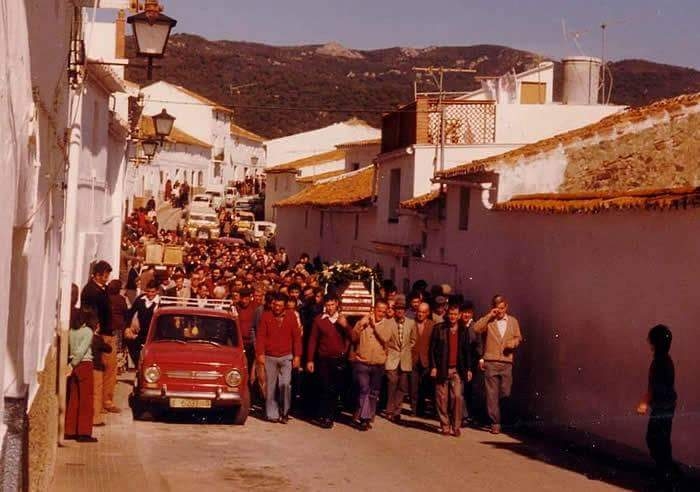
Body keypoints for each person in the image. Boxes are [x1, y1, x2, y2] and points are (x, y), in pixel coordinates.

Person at [473, 295, 522, 434]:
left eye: (502, 308)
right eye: (497, 308)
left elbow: (518, 337)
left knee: (506, 392)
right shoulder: (490, 320)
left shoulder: (513, 321)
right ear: (493, 307)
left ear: (506, 307)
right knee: (491, 394)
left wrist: (512, 343)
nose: (500, 311)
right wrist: (490, 315)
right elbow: (476, 328)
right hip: (491, 361)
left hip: (506, 362)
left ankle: (504, 419)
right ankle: (495, 422)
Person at [637, 324, 678, 486]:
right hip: (665, 406)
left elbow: (656, 387)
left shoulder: (661, 362)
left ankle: (666, 473)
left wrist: (645, 402)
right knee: (659, 439)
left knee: (655, 439)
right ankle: (667, 471)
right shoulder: (663, 361)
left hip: (663, 407)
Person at [306, 295, 352, 428]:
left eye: (332, 305)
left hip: (338, 359)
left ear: (337, 304)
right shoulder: (319, 320)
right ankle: (325, 416)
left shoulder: (342, 319)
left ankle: (330, 414)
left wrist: (346, 326)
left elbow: (353, 337)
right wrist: (310, 360)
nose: (330, 308)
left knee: (335, 388)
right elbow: (313, 340)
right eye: (328, 305)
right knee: (325, 386)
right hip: (323, 359)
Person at [256, 294, 302, 423]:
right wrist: (260, 354)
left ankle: (285, 411)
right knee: (270, 386)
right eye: (275, 305)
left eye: (280, 306)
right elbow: (260, 337)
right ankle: (272, 414)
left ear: (285, 306)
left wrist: (297, 356)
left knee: (285, 384)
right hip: (270, 356)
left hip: (286, 356)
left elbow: (296, 338)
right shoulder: (266, 316)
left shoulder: (291, 316)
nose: (277, 308)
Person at [429, 305, 472, 436]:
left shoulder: (464, 330)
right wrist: (433, 367)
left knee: (457, 397)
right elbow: (432, 349)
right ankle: (445, 425)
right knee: (442, 399)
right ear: (447, 315)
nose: (453, 317)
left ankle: (456, 425)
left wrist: (469, 369)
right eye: (451, 314)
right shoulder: (439, 328)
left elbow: (467, 351)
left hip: (457, 370)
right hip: (442, 368)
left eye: (455, 314)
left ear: (459, 315)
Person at [350, 300, 393, 431]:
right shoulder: (364, 321)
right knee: (364, 389)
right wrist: (359, 325)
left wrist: (375, 327)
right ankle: (364, 418)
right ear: (374, 309)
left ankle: (367, 416)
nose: (381, 313)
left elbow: (385, 338)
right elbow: (353, 337)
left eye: (384, 311)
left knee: (374, 392)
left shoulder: (388, 324)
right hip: (363, 362)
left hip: (378, 363)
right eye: (379, 310)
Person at [65, 309, 99, 443]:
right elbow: (82, 350)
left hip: (74, 366)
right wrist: (74, 363)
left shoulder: (71, 332)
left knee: (74, 397)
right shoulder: (87, 332)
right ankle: (84, 432)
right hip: (84, 364)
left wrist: (71, 364)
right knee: (86, 399)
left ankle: (70, 430)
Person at [384, 295, 416, 423]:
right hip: (391, 358)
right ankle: (389, 410)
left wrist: (406, 350)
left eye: (402, 309)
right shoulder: (389, 322)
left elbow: (413, 340)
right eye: (397, 309)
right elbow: (385, 340)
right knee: (392, 383)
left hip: (405, 359)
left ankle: (397, 411)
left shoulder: (411, 323)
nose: (399, 311)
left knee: (402, 386)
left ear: (405, 310)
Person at [124, 281, 160, 367]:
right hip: (141, 332)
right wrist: (127, 327)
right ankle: (139, 366)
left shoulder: (160, 303)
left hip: (155, 335)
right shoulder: (140, 300)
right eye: (148, 291)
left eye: (152, 292)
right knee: (130, 343)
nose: (150, 294)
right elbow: (130, 313)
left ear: (157, 291)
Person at [460, 302, 483, 426]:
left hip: (473, 362)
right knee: (461, 389)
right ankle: (463, 415)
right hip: (461, 361)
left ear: (472, 314)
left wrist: (480, 358)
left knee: (471, 389)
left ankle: (470, 414)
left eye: (468, 312)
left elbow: (479, 344)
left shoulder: (475, 326)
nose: (466, 315)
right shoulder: (458, 325)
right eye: (464, 312)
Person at [411, 302, 434, 417]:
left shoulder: (432, 325)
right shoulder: (411, 323)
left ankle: (421, 409)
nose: (420, 314)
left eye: (423, 312)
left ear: (428, 313)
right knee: (413, 386)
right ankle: (414, 410)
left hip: (426, 360)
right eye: (419, 311)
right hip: (413, 359)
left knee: (424, 386)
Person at [80, 261, 112, 340]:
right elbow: (90, 311)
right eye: (105, 276)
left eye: (108, 276)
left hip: (105, 330)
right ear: (97, 275)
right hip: (95, 331)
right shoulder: (90, 290)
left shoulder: (105, 288)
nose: (107, 279)